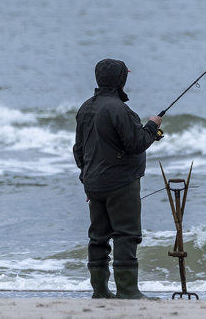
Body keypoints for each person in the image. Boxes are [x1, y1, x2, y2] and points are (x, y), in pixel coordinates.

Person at [73, 58, 163, 300]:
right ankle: (128, 291)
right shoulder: (120, 110)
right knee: (125, 234)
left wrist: (86, 179)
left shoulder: (85, 108)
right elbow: (136, 144)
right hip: (121, 183)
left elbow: (78, 150)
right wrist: (153, 127)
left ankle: (100, 291)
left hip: (94, 184)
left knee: (98, 237)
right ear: (121, 80)